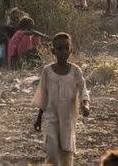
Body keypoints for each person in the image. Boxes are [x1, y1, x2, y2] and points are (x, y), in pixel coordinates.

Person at [33, 33, 90, 166]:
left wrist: (85, 104)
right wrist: (39, 118)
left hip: (68, 118)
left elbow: (83, 89)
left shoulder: (75, 71)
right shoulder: (47, 71)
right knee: (51, 150)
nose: (63, 51)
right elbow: (43, 96)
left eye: (66, 48)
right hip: (51, 117)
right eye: (59, 48)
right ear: (53, 51)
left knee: (66, 151)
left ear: (71, 50)